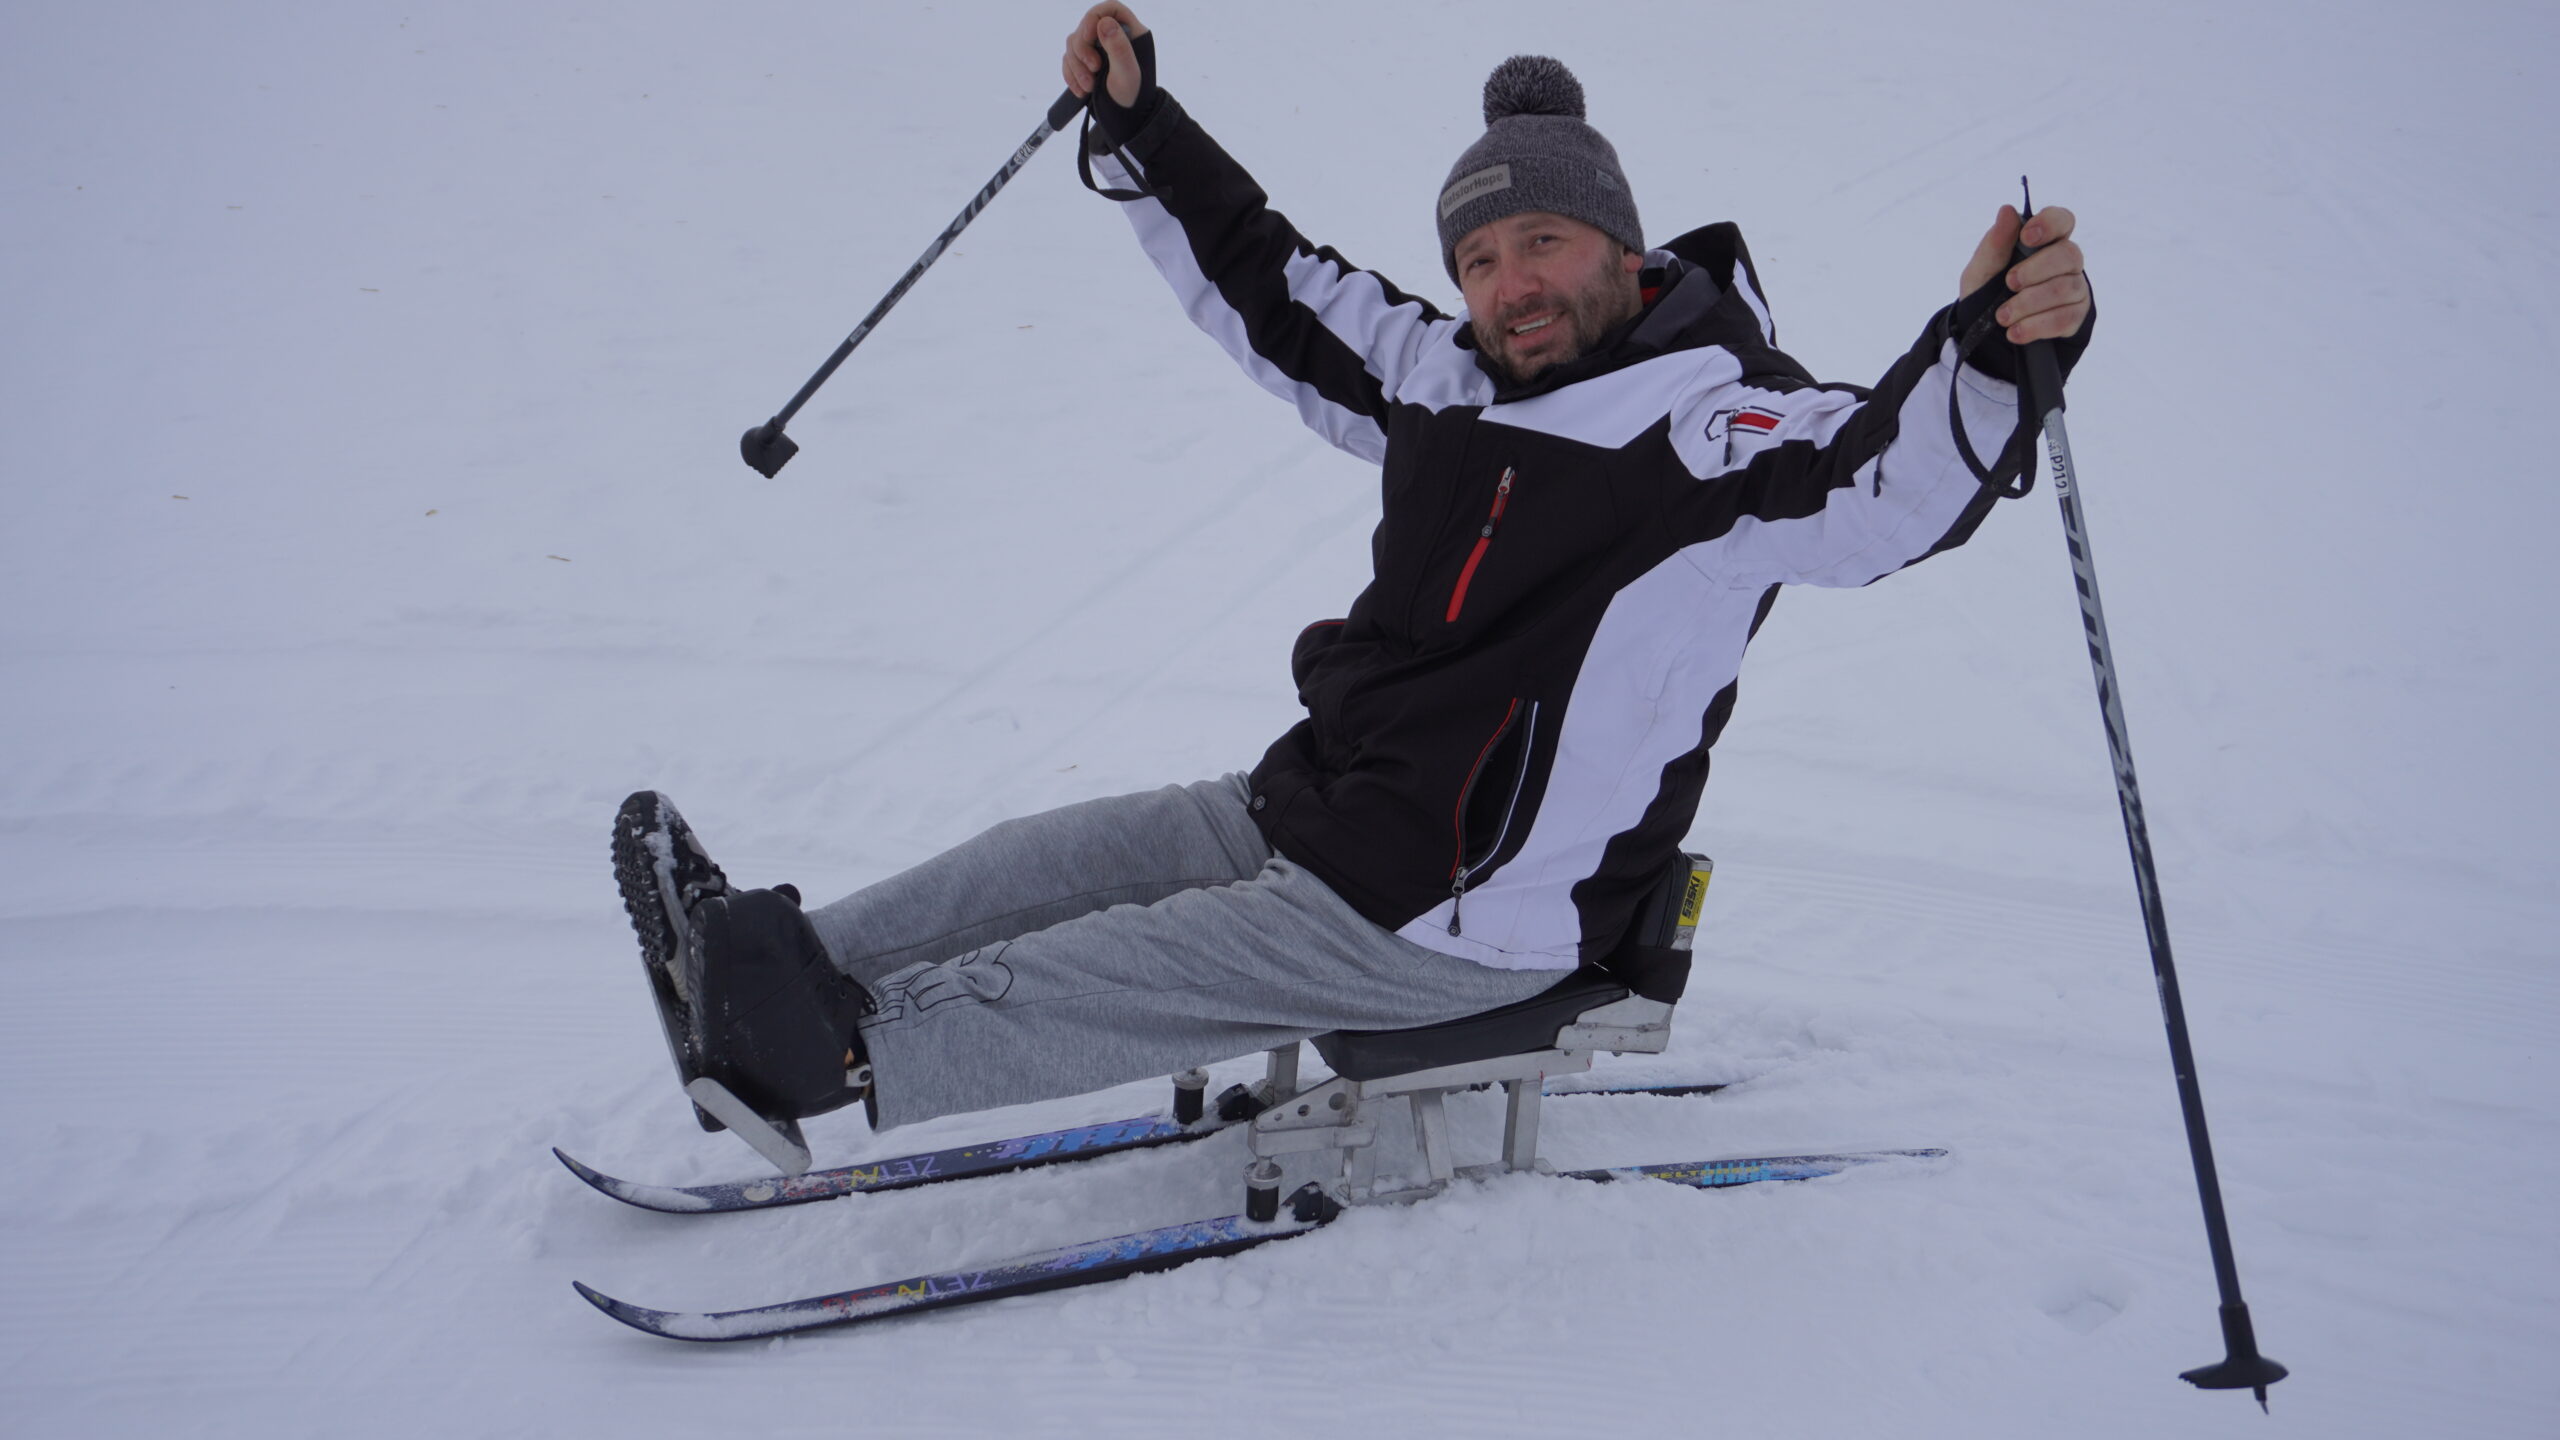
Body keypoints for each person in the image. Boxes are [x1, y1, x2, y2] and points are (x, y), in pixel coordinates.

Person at [612, 3, 2093, 1161]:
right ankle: (773, 965)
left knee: (1114, 964)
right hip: (1326, 802)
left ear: (1622, 250)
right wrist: (1141, 126)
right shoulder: (1456, 377)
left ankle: (835, 1050)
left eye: (1545, 243)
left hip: (1458, 911)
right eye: (1481, 256)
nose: (1509, 284)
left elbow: (1873, 486)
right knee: (1043, 860)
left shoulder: (1710, 425)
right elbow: (1276, 286)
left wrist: (1986, 351)